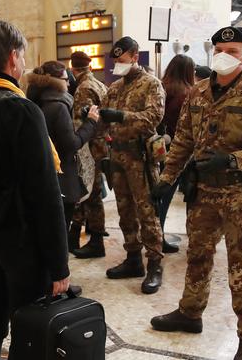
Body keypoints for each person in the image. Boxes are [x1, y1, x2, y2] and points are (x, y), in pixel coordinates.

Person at [149, 26, 242, 360]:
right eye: (220, 49)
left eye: (234, 50)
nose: (225, 55)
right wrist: (168, 177)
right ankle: (190, 313)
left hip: (241, 197)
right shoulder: (197, 93)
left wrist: (233, 159)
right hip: (203, 194)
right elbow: (183, 138)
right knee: (197, 257)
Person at [0, 19, 70, 360]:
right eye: (22, 55)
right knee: (28, 325)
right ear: (12, 58)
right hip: (23, 241)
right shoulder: (20, 110)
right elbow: (44, 193)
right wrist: (59, 263)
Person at [94, 36, 166, 295]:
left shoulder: (151, 85)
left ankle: (155, 264)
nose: (118, 65)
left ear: (135, 56)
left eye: (122, 59)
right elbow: (102, 119)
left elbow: (152, 118)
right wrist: (93, 118)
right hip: (118, 157)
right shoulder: (115, 88)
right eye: (115, 60)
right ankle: (133, 258)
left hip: (140, 158)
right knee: (125, 211)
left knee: (147, 212)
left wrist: (121, 116)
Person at [26, 61, 99, 239]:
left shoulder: (35, 101)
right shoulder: (58, 106)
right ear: (56, 82)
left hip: (43, 177)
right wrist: (90, 122)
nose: (69, 84)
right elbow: (71, 144)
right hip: (62, 180)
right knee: (58, 237)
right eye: (66, 80)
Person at [68, 51, 110, 259]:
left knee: (92, 196)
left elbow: (80, 124)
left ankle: (96, 242)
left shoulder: (82, 89)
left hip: (90, 147)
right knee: (94, 193)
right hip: (102, 145)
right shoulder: (99, 84)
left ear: (73, 69)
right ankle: (93, 238)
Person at [156, 54, 196, 254]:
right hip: (178, 151)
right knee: (168, 196)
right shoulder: (187, 94)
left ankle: (155, 233)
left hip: (158, 148)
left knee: (159, 194)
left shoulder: (160, 87)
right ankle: (158, 237)